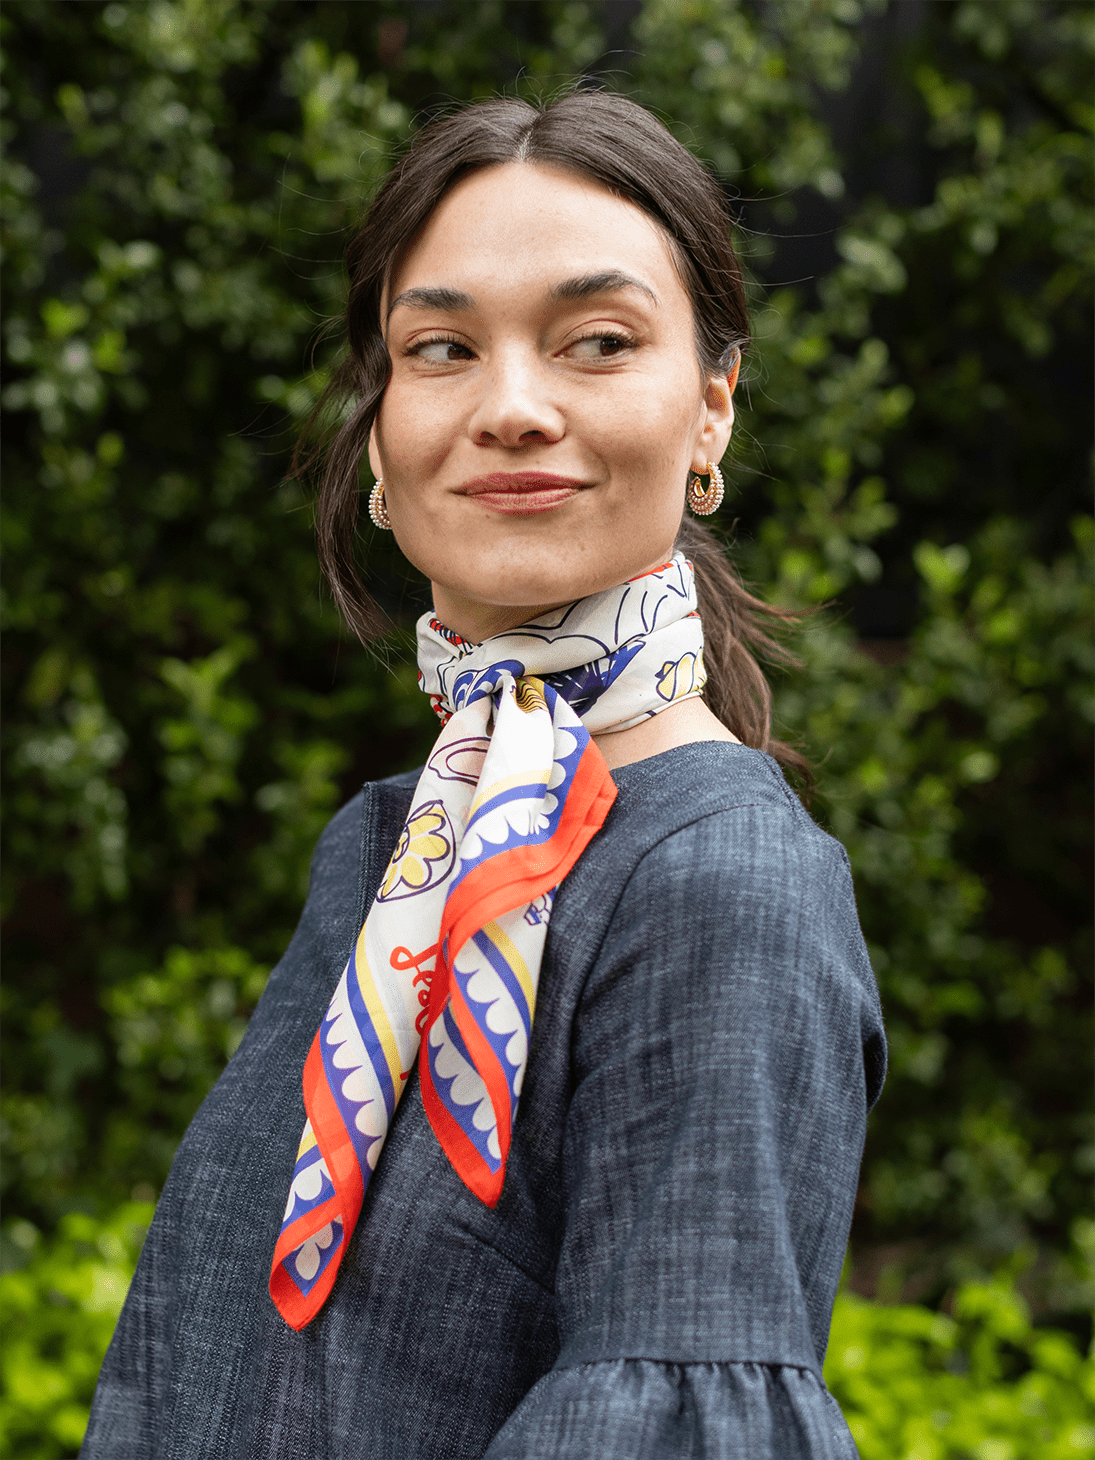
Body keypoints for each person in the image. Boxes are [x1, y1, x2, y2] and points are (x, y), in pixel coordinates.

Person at [81, 90, 886, 1459]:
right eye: (440, 346)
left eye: (596, 343)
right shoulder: (392, 846)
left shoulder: (716, 883)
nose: (511, 408)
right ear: (382, 440)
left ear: (708, 415)